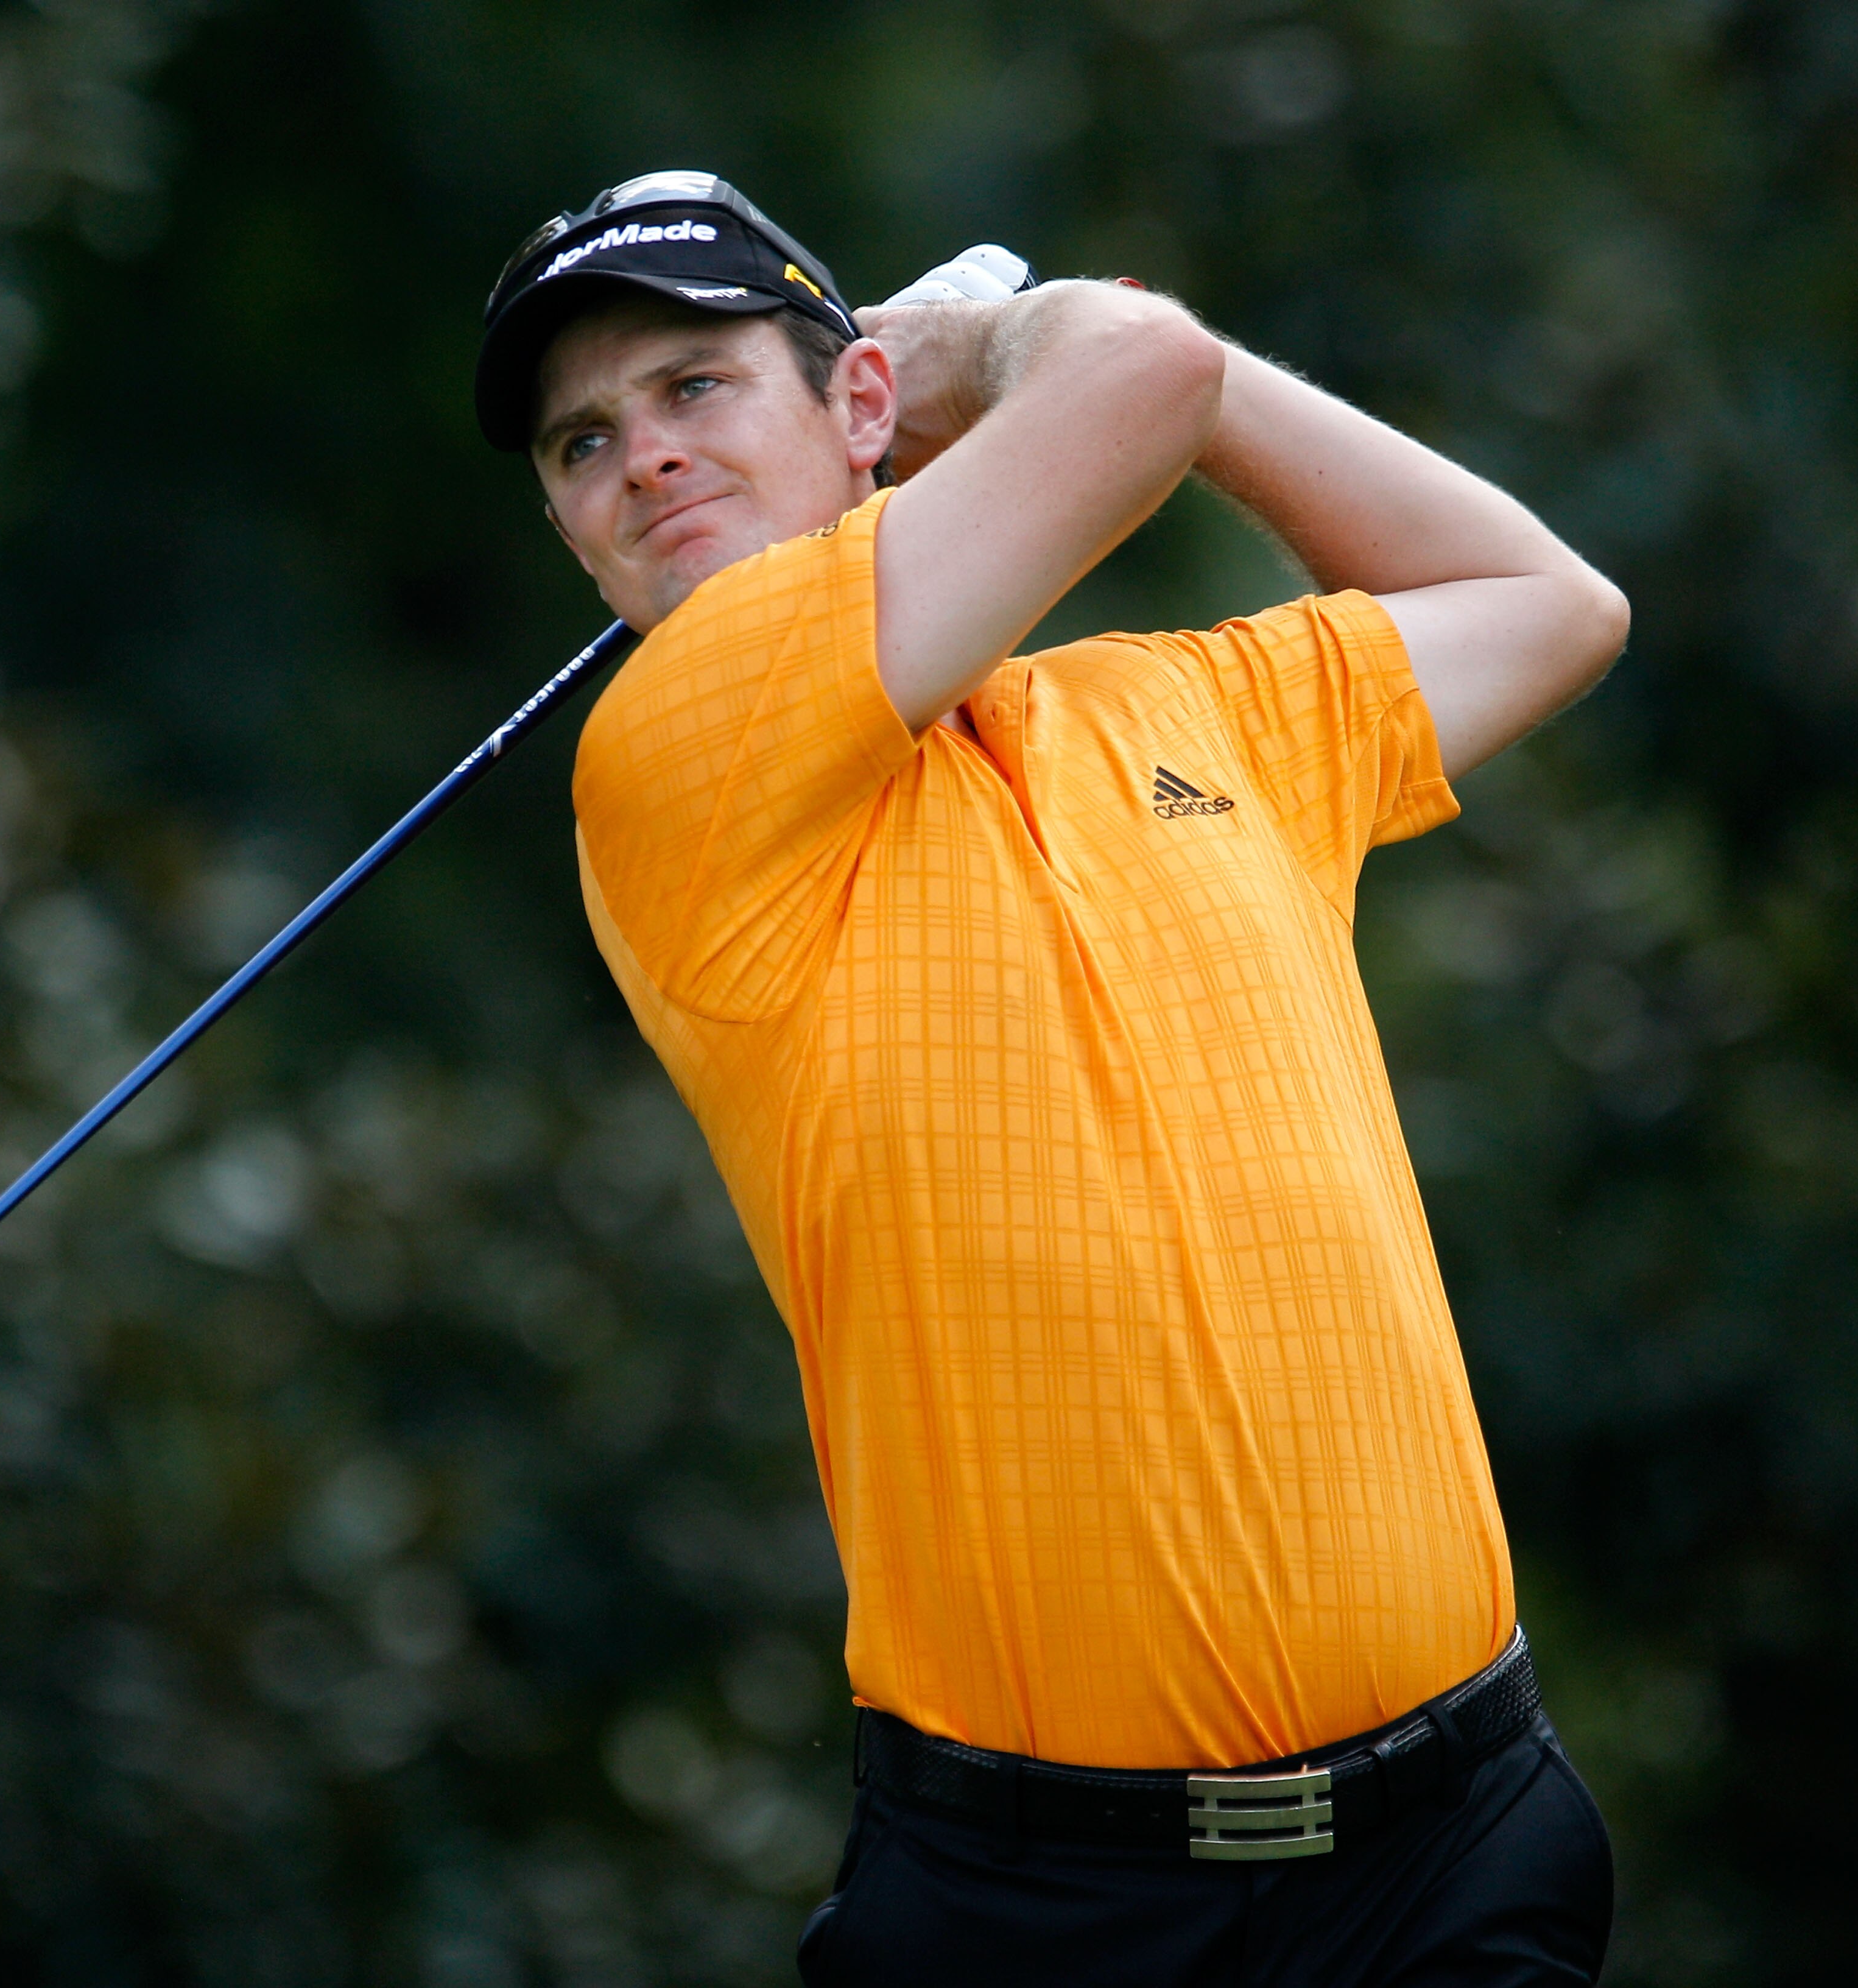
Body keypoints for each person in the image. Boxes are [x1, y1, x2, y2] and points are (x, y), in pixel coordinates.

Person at [474, 171, 1628, 1986]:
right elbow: (1136, 364)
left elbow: (1548, 600)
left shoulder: (1185, 713)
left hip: (1452, 1854)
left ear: (861, 410)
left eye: (697, 387)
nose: (640, 460)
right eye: (580, 443)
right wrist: (998, 350)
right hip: (1049, 1915)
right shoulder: (667, 760)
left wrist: (1180, 390)